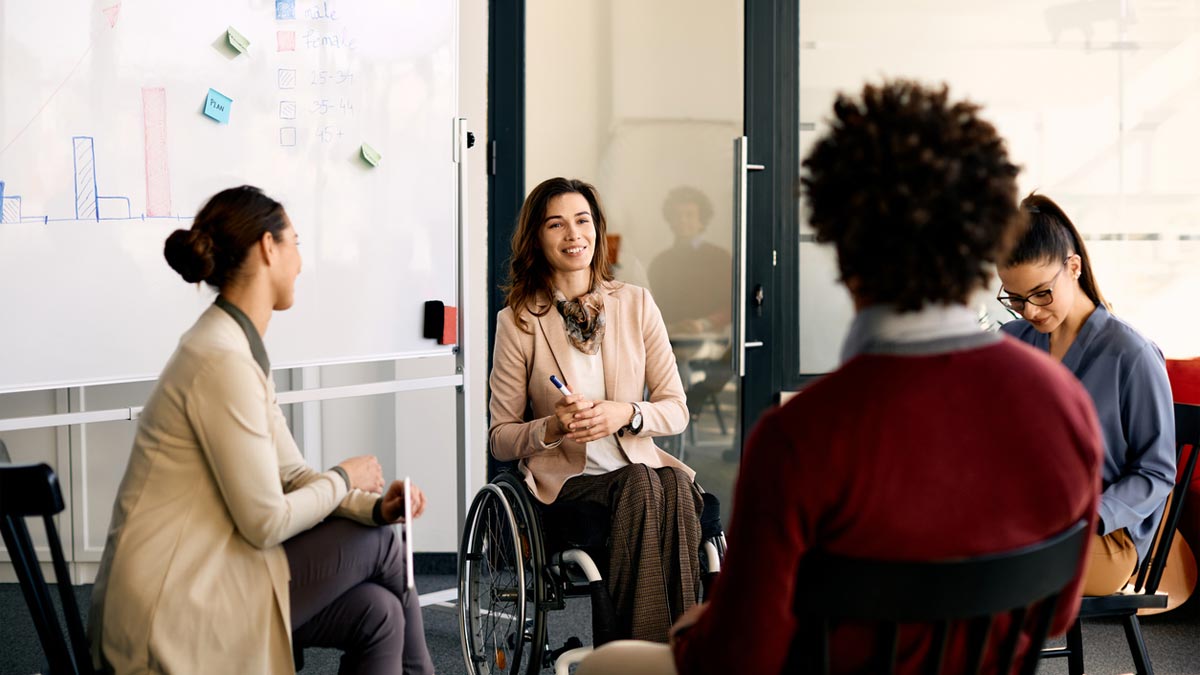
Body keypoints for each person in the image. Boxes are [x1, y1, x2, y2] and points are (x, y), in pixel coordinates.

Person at [579, 80, 1105, 674]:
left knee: (603, 665)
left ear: (842, 247)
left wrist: (698, 629)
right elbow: (1056, 613)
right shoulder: (1064, 403)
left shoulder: (799, 438)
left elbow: (740, 658)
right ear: (985, 240)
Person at [88, 186, 434, 675]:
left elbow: (291, 473)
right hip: (172, 606)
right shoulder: (219, 360)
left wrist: (372, 505)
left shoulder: (237, 347)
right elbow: (265, 522)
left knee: (379, 612)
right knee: (380, 544)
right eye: (295, 242)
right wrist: (344, 477)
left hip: (217, 575)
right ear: (268, 248)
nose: (300, 261)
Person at [489, 177, 701, 643]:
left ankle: (659, 654)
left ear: (597, 230)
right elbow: (500, 435)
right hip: (568, 483)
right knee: (646, 485)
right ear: (537, 238)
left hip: (638, 468)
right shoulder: (519, 320)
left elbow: (676, 409)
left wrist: (625, 412)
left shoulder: (636, 304)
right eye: (556, 224)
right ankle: (656, 656)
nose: (573, 235)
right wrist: (552, 425)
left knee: (671, 485)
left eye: (582, 221)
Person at [998, 193, 1176, 596]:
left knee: (981, 566)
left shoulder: (1131, 354)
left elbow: (1157, 472)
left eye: (1041, 294)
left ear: (1073, 267)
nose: (1029, 311)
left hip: (1103, 537)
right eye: (1014, 298)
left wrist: (1089, 516)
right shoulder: (1012, 343)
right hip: (1027, 524)